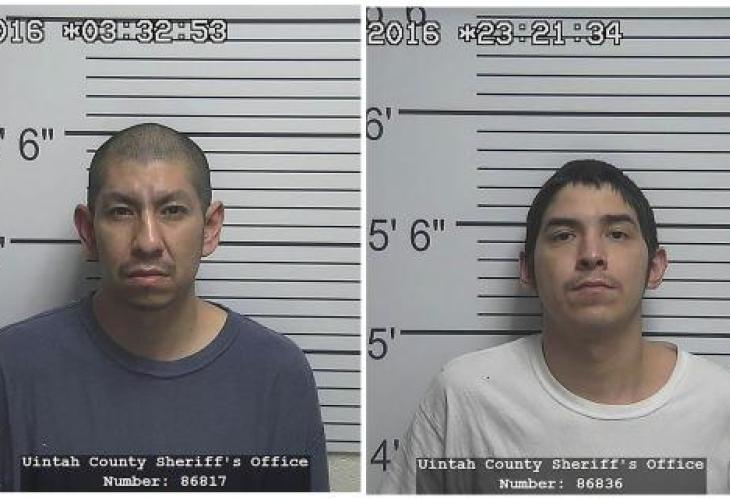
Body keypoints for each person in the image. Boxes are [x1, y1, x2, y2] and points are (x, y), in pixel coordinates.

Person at [0, 123, 328, 491]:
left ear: (210, 228)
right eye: (121, 212)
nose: (148, 242)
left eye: (171, 211)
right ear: (88, 231)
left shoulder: (277, 376)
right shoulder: (13, 367)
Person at [380, 159, 730, 494]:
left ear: (655, 267)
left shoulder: (719, 404)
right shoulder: (462, 398)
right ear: (527, 270)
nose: (592, 255)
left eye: (617, 233)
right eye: (563, 236)